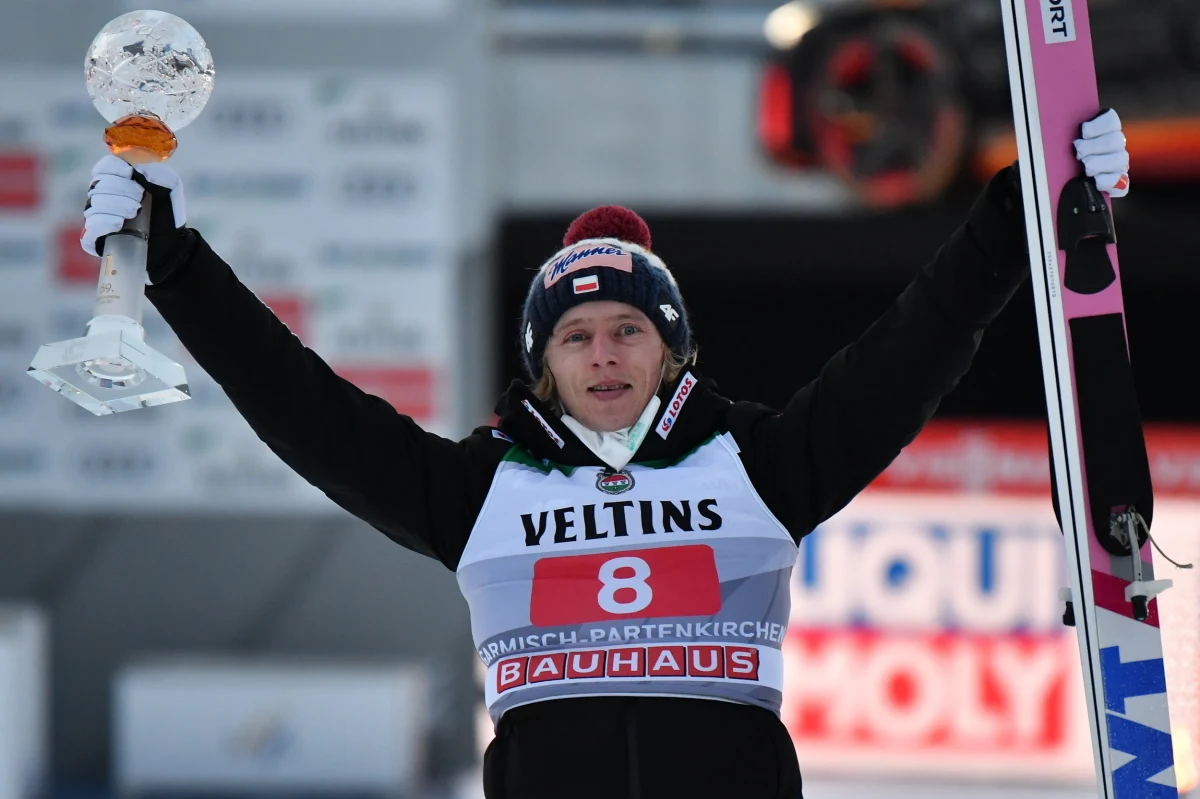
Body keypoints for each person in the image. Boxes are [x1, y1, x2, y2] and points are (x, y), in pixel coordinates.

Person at [80, 109, 1131, 798]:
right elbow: (301, 405)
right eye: (575, 336)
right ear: (544, 362)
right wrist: (175, 266)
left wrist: (1018, 211)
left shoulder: (759, 464)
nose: (604, 353)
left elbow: (914, 347)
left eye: (629, 328)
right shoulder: (478, 489)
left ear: (673, 349)